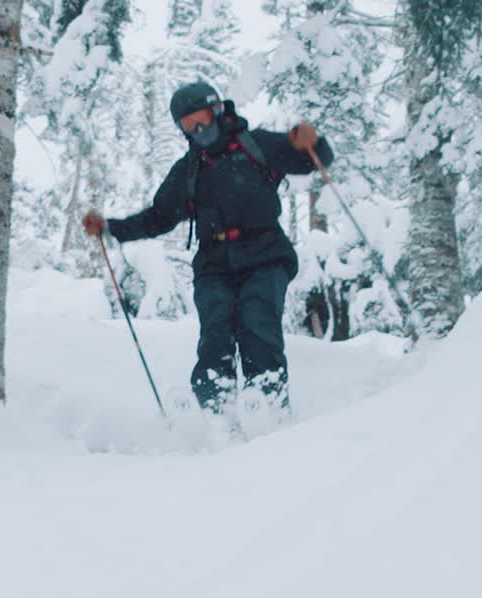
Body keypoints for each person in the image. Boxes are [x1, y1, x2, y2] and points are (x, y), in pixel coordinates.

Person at [81, 81, 334, 416]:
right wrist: (111, 228)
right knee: (215, 332)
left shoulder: (255, 145)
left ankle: (268, 402)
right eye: (188, 126)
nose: (198, 131)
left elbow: (312, 160)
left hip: (265, 255)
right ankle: (215, 407)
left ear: (216, 111)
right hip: (214, 264)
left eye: (200, 120)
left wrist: (312, 142)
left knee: (257, 323)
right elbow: (158, 218)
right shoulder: (189, 169)